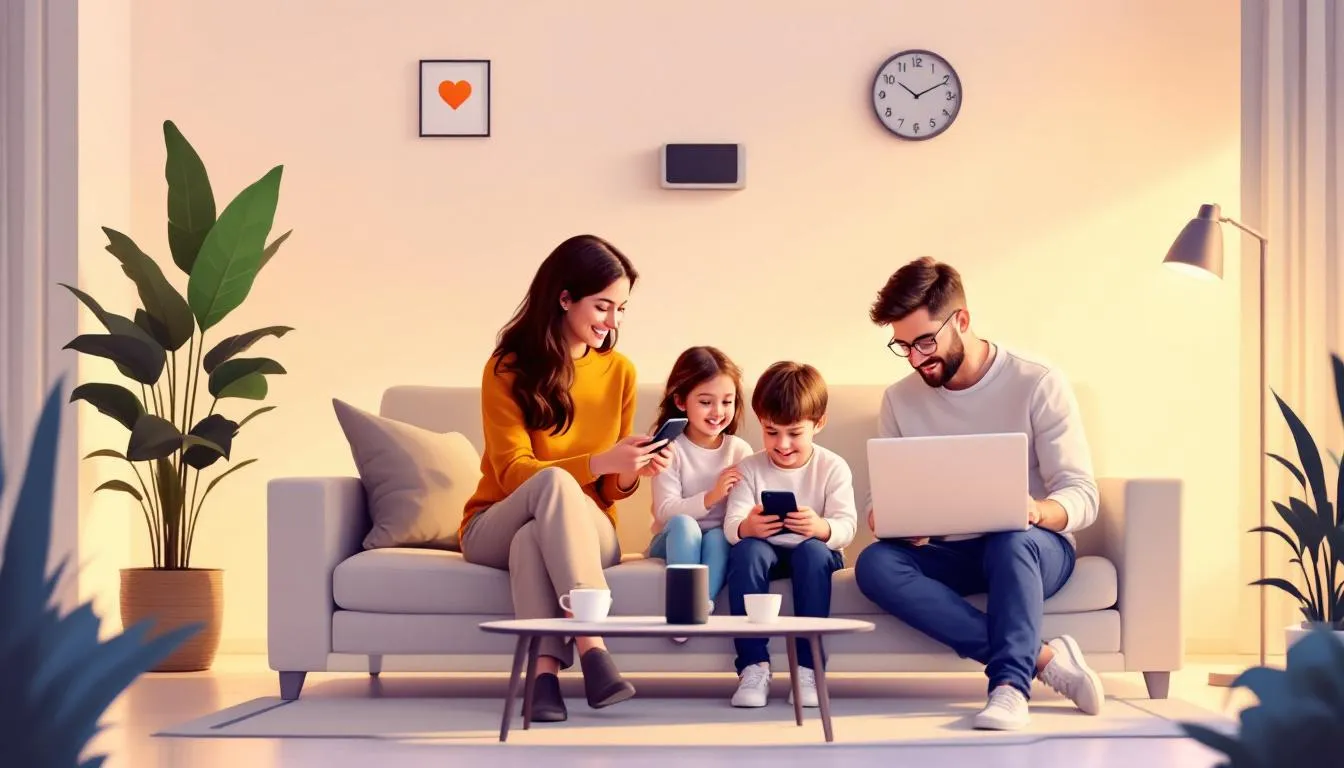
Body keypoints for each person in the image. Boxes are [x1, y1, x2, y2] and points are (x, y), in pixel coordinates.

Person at [853, 256, 1104, 731]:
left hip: (1030, 550)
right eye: (902, 345)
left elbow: (1082, 495)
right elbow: (876, 500)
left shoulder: (1037, 380)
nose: (916, 357)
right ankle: (1045, 658)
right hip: (949, 554)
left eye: (925, 341)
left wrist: (1036, 511)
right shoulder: (899, 399)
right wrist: (890, 520)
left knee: (1010, 538)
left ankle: (1010, 686)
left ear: (961, 320)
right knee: (875, 563)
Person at [458, 234, 672, 723]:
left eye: (621, 309)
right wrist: (596, 463)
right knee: (550, 488)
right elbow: (514, 474)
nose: (613, 322)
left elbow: (609, 492)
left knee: (537, 535)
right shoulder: (507, 369)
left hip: (589, 529)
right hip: (493, 522)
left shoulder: (620, 372)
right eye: (603, 306)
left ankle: (544, 679)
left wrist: (625, 470)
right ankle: (592, 644)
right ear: (564, 298)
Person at [722, 361, 858, 708]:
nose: (781, 444)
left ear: (819, 423)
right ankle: (753, 666)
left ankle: (808, 670)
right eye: (771, 432)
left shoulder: (832, 467)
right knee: (747, 551)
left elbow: (847, 524)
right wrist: (746, 528)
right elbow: (732, 523)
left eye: (794, 433)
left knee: (812, 553)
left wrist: (821, 528)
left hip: (812, 553)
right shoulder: (750, 468)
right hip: (765, 552)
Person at [647, 346, 754, 643]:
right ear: (681, 401)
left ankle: (699, 604)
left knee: (719, 536)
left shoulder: (739, 451)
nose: (718, 412)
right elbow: (665, 512)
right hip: (670, 538)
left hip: (717, 540)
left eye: (727, 402)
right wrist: (712, 496)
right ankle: (683, 604)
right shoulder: (669, 449)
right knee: (685, 525)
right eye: (706, 402)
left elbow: (741, 513)